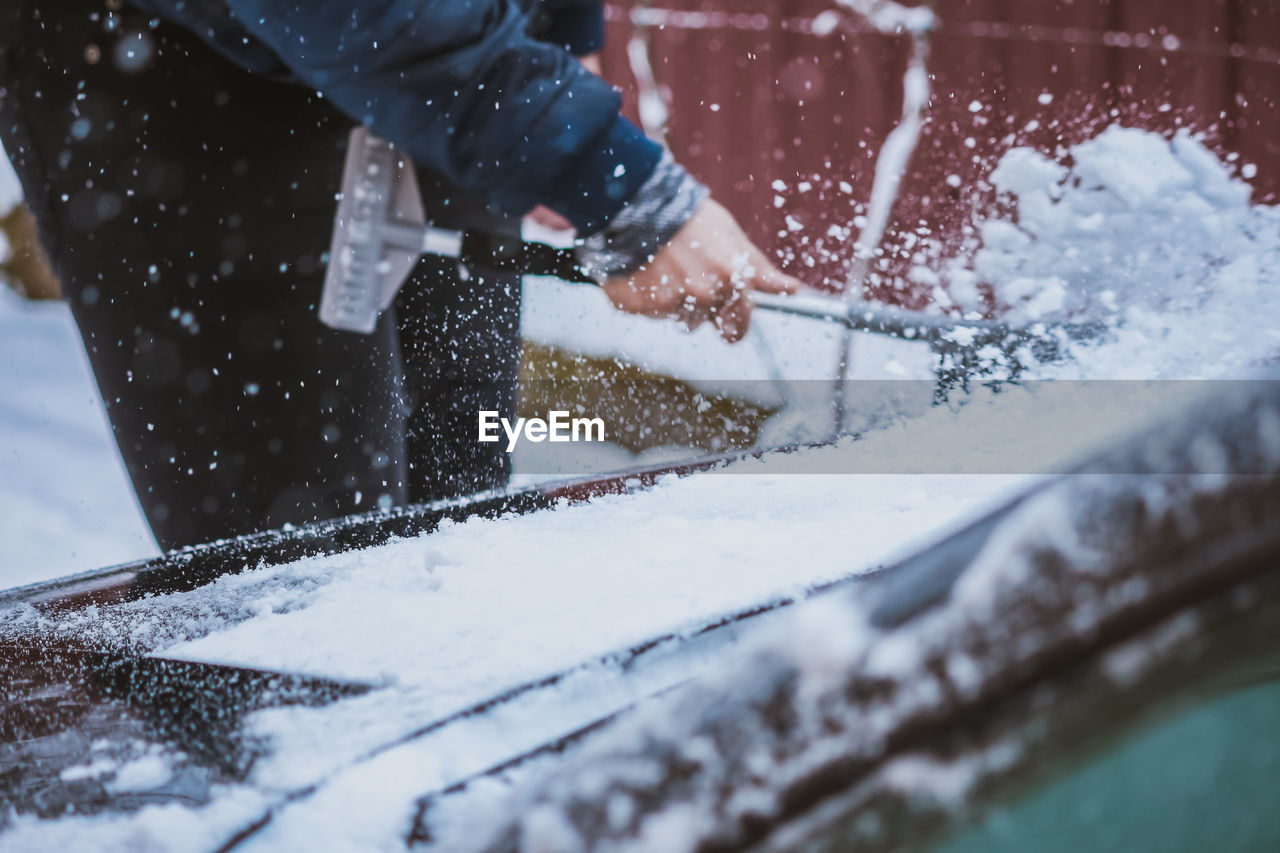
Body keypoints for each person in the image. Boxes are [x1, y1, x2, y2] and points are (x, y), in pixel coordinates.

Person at [0, 0, 799, 550]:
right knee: (309, 575)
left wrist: (552, 24)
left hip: (443, 36)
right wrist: (615, 184)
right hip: (177, 70)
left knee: (461, 509)